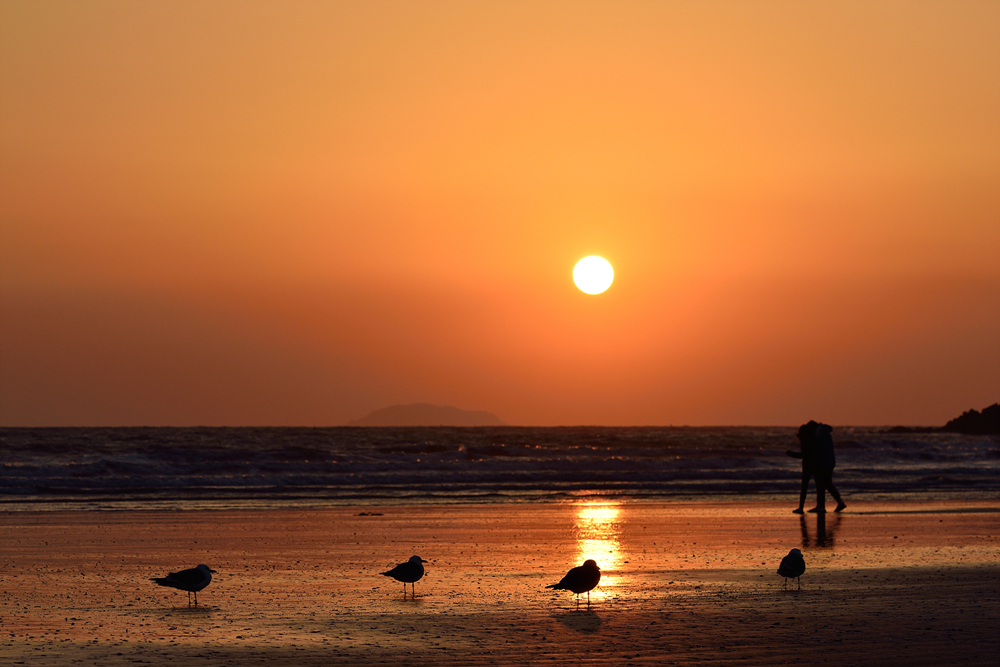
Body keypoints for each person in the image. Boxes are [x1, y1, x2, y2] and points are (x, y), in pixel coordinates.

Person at [811, 421, 846, 514]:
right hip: (829, 462)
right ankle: (835, 502)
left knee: (823, 484)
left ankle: (822, 506)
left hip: (825, 463)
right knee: (826, 484)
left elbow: (821, 450)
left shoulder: (821, 435)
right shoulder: (824, 433)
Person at [786, 421, 818, 514]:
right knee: (818, 485)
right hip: (815, 464)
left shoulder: (805, 441)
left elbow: (805, 455)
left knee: (804, 486)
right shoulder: (812, 440)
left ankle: (801, 507)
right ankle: (820, 506)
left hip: (808, 465)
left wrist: (792, 454)